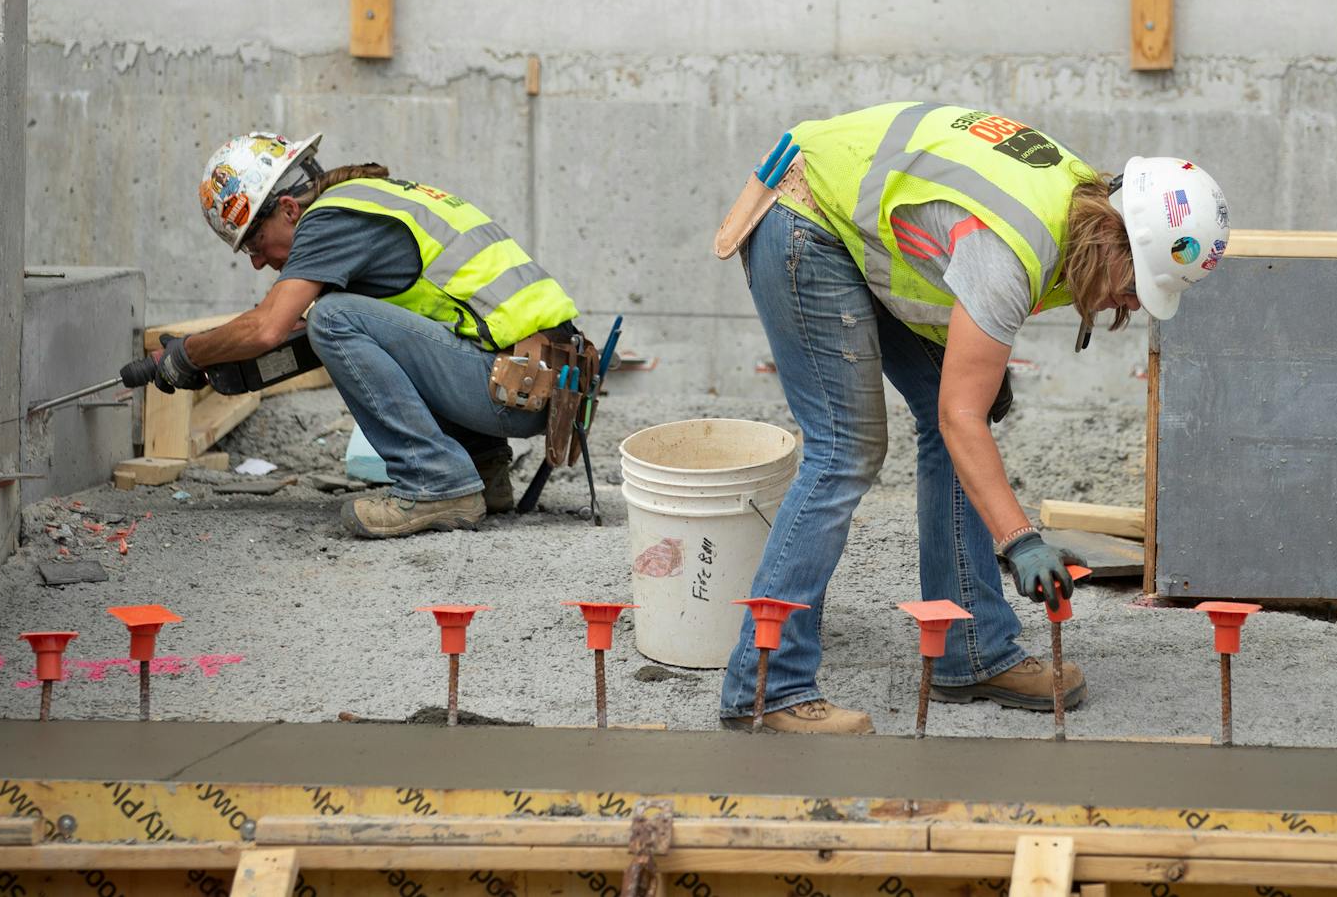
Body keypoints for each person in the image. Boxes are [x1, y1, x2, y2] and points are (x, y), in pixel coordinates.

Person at [712, 102, 1229, 733]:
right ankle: (767, 686)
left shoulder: (1079, 209)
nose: (1129, 304)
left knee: (952, 419)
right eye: (1135, 285)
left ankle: (972, 650)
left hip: (862, 227)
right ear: (1115, 238)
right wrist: (1021, 540)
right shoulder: (1012, 249)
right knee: (845, 450)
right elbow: (963, 415)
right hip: (807, 219)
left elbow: (948, 277)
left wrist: (975, 366)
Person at [139, 131, 588, 539]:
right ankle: (482, 473)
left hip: (516, 390)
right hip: (542, 383)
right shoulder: (369, 200)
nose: (257, 262)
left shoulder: (329, 219)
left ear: (289, 209)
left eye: (255, 245)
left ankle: (435, 480)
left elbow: (268, 327)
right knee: (343, 316)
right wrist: (221, 353)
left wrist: (188, 355)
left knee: (333, 319)